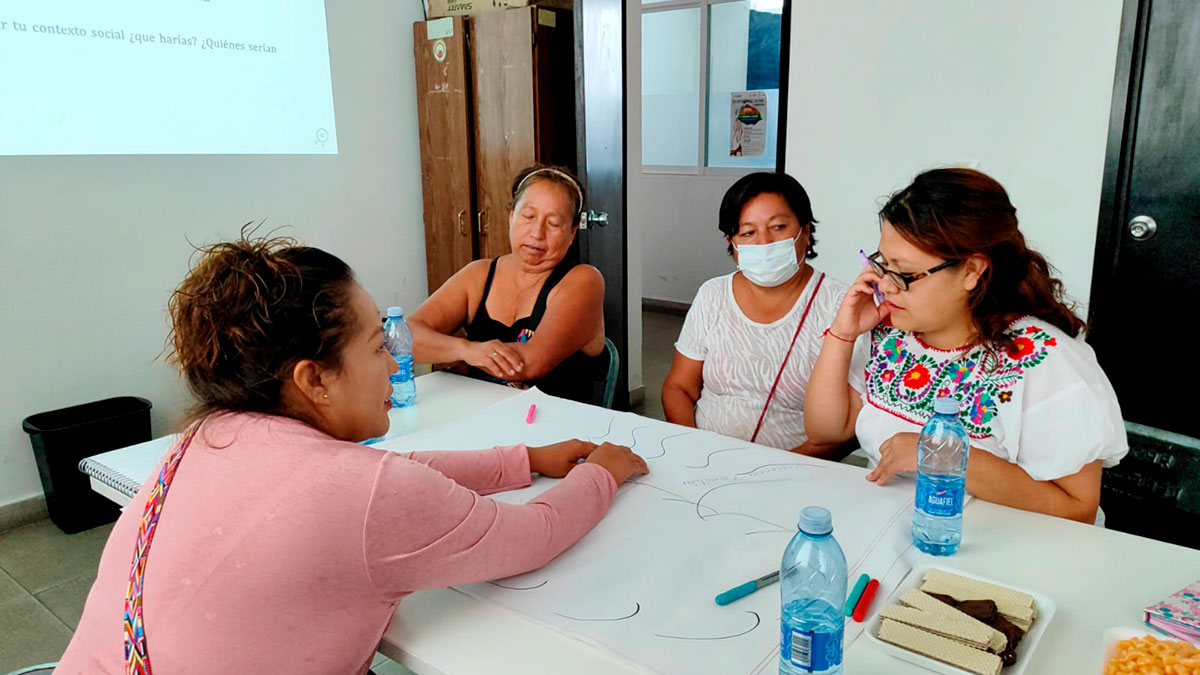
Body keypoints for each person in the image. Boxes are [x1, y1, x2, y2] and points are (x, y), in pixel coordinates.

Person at [57, 233, 647, 674]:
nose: (394, 364)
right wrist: (602, 473)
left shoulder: (209, 437)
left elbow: (384, 479)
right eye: (375, 350)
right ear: (315, 379)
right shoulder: (355, 491)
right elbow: (530, 538)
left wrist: (521, 459)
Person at [803, 168, 1127, 523]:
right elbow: (826, 431)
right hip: (888, 531)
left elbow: (1077, 509)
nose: (886, 286)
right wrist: (843, 333)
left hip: (993, 551)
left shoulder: (1041, 360)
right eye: (882, 264)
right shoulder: (892, 332)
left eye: (905, 273)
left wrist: (947, 455)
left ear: (972, 271)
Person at [661, 172, 847, 452]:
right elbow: (679, 388)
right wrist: (693, 449)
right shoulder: (713, 295)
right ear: (731, 243)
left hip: (796, 471)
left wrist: (773, 471)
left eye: (779, 227)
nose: (764, 243)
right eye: (748, 232)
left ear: (805, 231)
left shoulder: (841, 305)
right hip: (704, 460)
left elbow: (848, 427)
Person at [409, 165, 609, 404]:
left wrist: (457, 354)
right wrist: (465, 350)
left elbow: (529, 363)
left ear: (572, 233)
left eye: (554, 223)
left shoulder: (584, 281)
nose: (537, 233)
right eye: (528, 216)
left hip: (557, 429)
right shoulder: (479, 275)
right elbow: (404, 337)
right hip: (478, 416)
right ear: (511, 217)